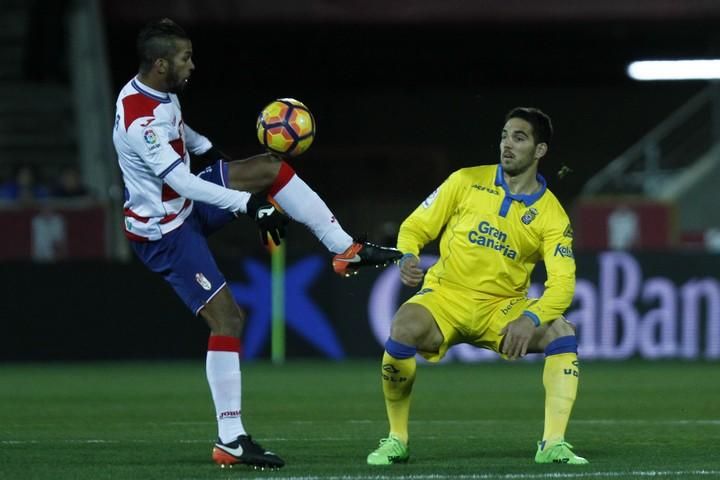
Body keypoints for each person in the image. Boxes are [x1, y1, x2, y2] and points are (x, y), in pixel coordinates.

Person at [113, 18, 401, 469]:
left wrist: (212, 152)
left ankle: (346, 248)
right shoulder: (138, 120)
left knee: (268, 167)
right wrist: (250, 206)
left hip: (185, 207)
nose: (193, 64)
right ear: (160, 63)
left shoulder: (159, 93)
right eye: (186, 57)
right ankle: (230, 438)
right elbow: (184, 182)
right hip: (165, 232)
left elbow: (182, 135)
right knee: (228, 319)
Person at [366, 107, 588, 466]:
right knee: (402, 328)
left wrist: (530, 318)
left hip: (502, 308)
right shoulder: (465, 181)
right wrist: (407, 255)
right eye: (504, 135)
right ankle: (397, 440)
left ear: (540, 151)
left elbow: (563, 285)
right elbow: (415, 226)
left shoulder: (553, 215)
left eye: (519, 137)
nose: (507, 145)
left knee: (561, 332)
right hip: (445, 296)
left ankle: (553, 444)